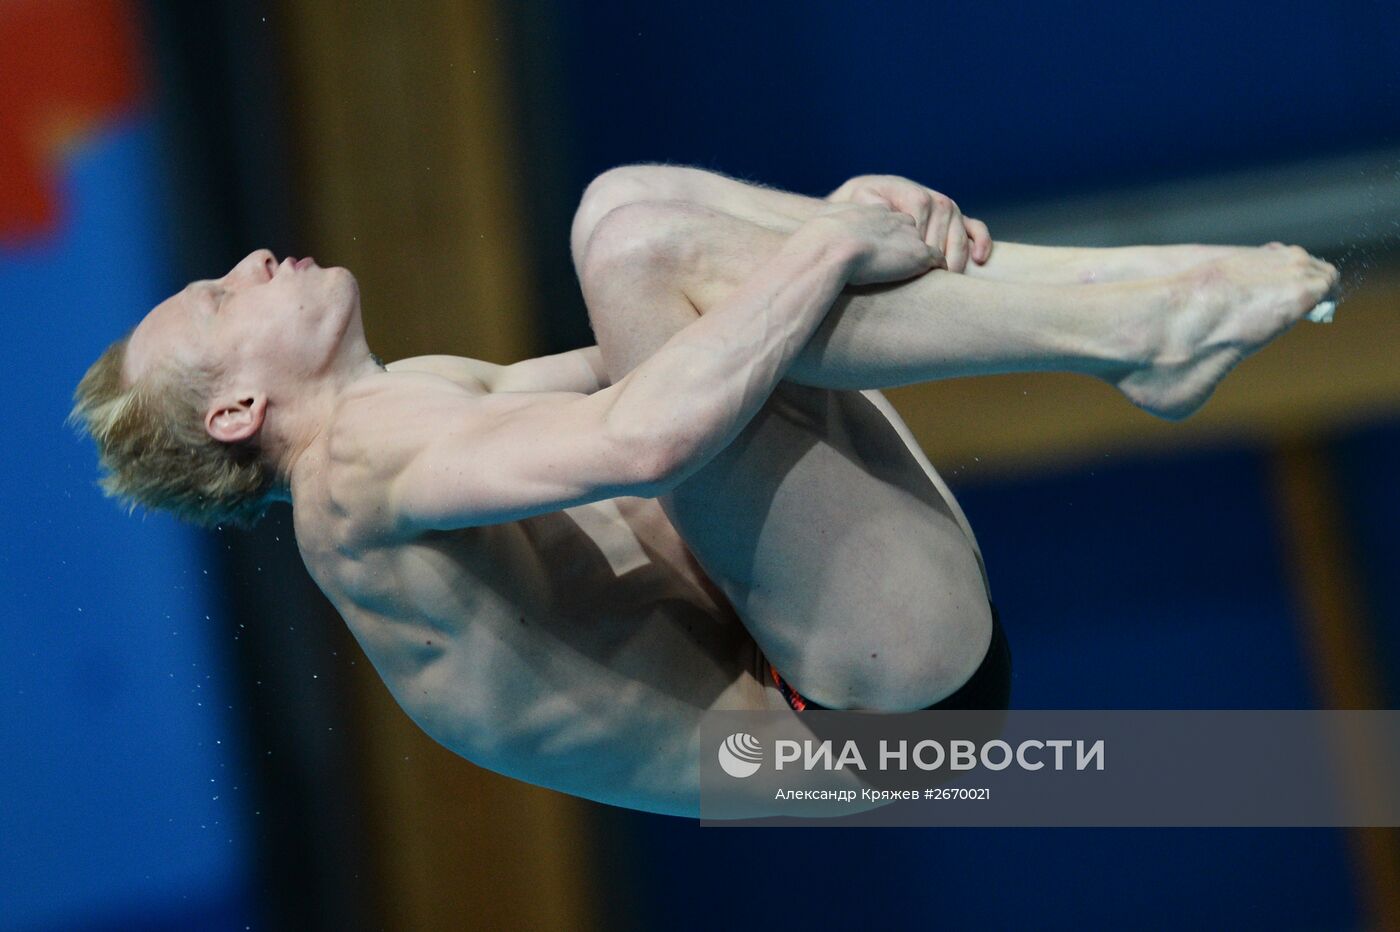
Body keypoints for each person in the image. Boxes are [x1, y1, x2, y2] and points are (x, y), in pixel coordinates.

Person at [70, 166, 1338, 816]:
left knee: (644, 225)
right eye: (223, 300)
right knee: (634, 241)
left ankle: (1149, 312)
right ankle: (1140, 324)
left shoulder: (415, 399)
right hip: (867, 714)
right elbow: (646, 441)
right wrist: (832, 236)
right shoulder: (355, 471)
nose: (246, 261)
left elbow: (702, 342)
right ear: (236, 410)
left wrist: (811, 241)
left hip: (837, 638)